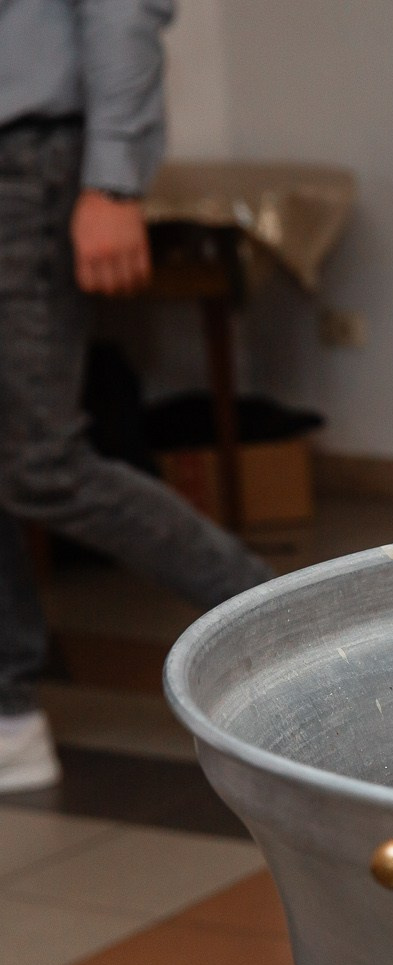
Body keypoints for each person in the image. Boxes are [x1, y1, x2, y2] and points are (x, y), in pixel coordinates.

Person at [0, 0, 270, 792]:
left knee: (40, 464)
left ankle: (283, 619)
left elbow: (120, 9)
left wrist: (114, 180)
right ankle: (8, 717)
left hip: (26, 160)